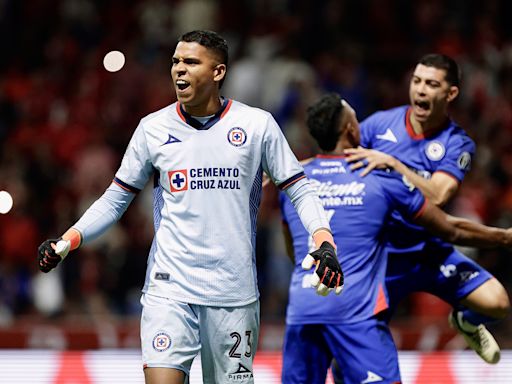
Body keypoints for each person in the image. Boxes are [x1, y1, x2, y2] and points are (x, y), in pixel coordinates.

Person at [36, 30, 344, 384]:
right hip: (170, 288)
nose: (179, 70)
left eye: (191, 62)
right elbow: (116, 198)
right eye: (176, 62)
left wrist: (324, 239)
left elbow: (300, 189)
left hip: (234, 294)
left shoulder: (257, 126)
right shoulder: (152, 129)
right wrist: (68, 240)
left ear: (218, 72)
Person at [279, 93, 512, 384]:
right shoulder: (379, 178)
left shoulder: (294, 182)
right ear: (352, 130)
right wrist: (504, 237)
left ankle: (467, 321)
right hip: (357, 312)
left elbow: (294, 251)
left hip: (304, 307)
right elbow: (450, 228)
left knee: (495, 301)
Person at [344, 53, 510, 364]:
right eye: (417, 81)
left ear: (451, 94)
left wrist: (394, 165)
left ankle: (465, 322)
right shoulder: (380, 124)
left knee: (498, 302)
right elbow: (338, 158)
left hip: (431, 251)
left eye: (431, 84)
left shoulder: (457, 143)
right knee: (351, 354)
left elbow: (437, 195)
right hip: (382, 257)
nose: (420, 90)